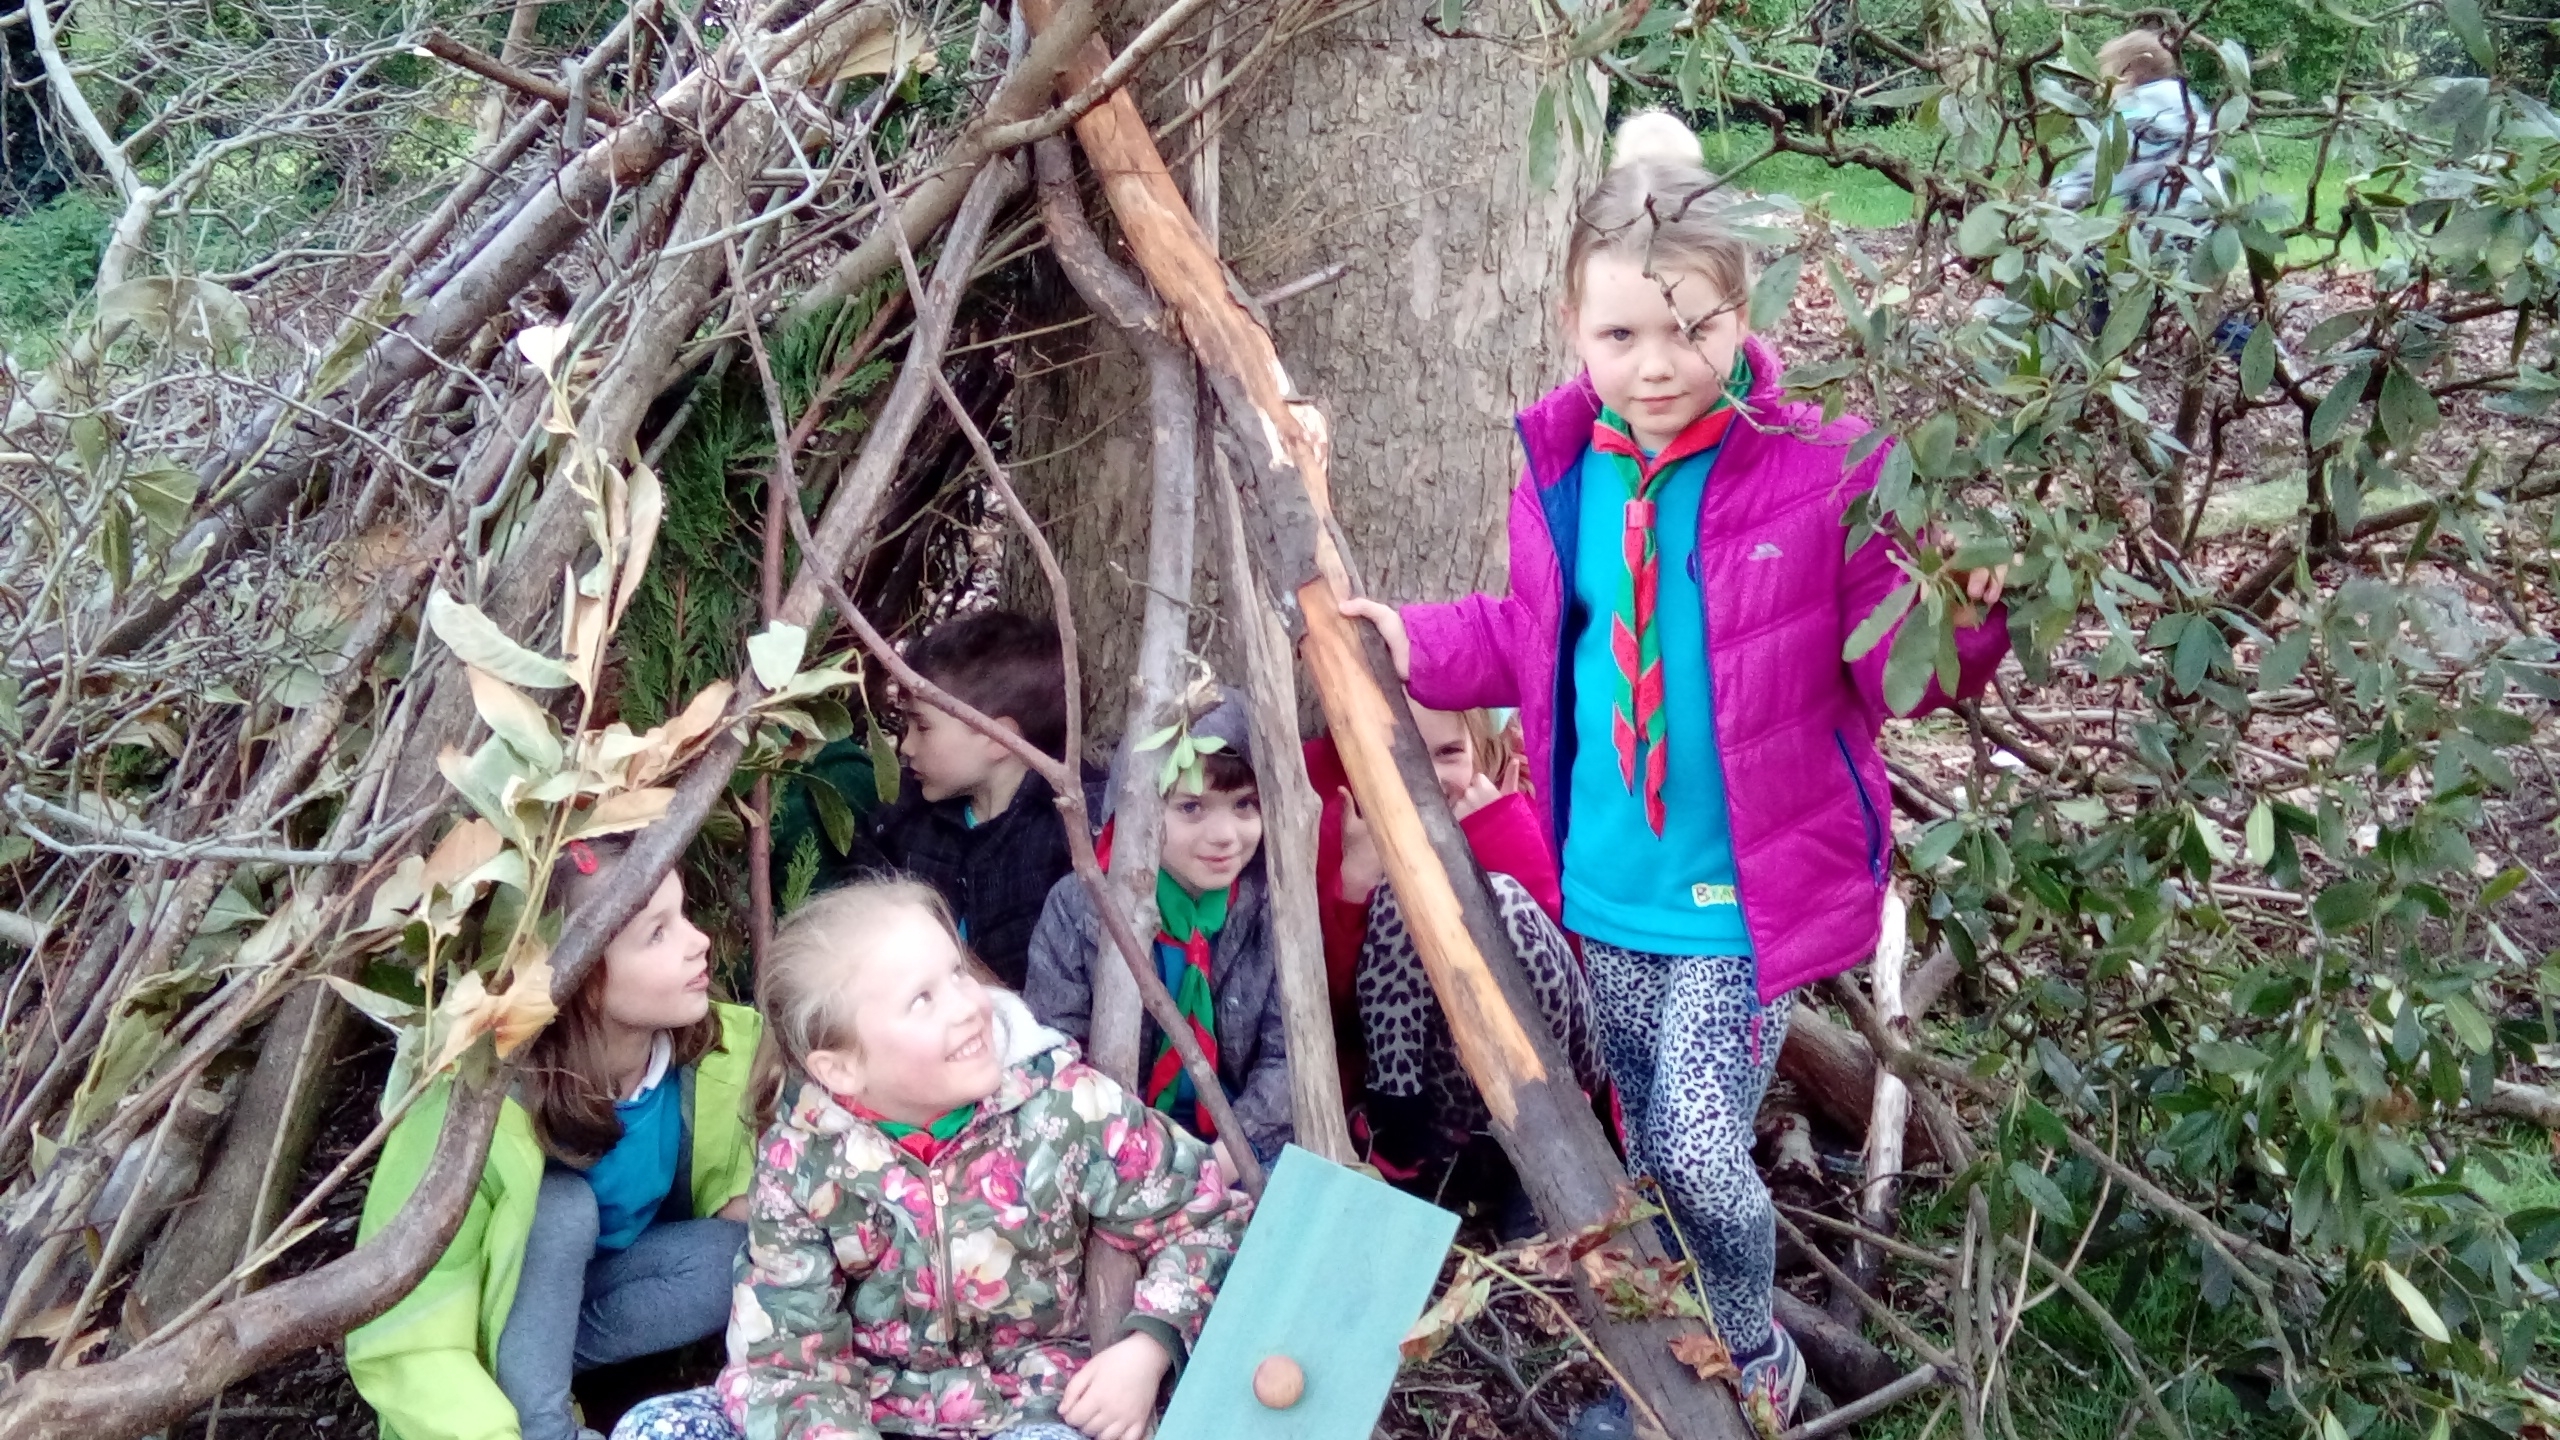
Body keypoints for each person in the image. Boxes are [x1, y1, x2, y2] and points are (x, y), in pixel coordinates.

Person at [1345, 110, 2010, 1429]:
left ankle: (1754, 1356)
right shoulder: (1563, 469)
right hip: (1608, 885)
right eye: (1620, 336)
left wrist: (1964, 613)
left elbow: (1898, 672)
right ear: (1570, 326)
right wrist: (1410, 640)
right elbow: (1537, 636)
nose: (1655, 365)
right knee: (1648, 1148)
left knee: (1704, 1149)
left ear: (1743, 313)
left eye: (1690, 329)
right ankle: (1670, 1367)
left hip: (1738, 901)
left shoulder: (1823, 468)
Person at [609, 880, 1247, 1440]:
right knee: (656, 1428)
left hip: (1031, 1406)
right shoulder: (803, 1161)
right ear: (842, 1069)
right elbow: (785, 1354)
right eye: (923, 999)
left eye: (958, 974)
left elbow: (1208, 1217)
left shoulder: (1068, 1107)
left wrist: (1147, 1348)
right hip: (872, 1409)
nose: (968, 1006)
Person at [348, 832, 763, 1440]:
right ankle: (543, 1425)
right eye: (657, 933)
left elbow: (743, 1189)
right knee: (563, 1207)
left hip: (592, 1300)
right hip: (496, 1311)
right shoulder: (472, 1105)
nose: (698, 940)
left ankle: (533, 1378)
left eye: (683, 915)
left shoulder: (721, 1050)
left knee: (736, 1255)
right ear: (579, 977)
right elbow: (406, 1322)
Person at [1304, 706, 1603, 1196]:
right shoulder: (1345, 821)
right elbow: (1328, 1005)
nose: (1426, 776)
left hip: (1559, 1069)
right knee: (1405, 896)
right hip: (1434, 1086)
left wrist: (1501, 836)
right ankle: (1402, 1144)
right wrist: (1354, 885)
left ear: (1478, 749)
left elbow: (1578, 967)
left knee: (1504, 898)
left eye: (1448, 753)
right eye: (1399, 753)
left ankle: (1550, 1151)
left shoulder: (1515, 799)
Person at [1023, 690, 1292, 1169]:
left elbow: (1287, 1060)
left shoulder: (1276, 906)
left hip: (1247, 1151)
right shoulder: (1080, 908)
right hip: (1112, 1152)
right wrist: (1130, 1163)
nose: (1225, 835)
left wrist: (1220, 1165)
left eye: (1245, 804)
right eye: (1191, 808)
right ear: (1137, 808)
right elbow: (1056, 1052)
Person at [867, 610, 1095, 990]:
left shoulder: (1069, 837)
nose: (906, 746)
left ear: (996, 737)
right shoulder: (903, 820)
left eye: (922, 726)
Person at [2052, 30, 2219, 217]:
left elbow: (2103, 170)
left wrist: (2053, 197)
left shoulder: (2135, 108)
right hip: (2209, 203)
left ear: (2128, 74)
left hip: (2172, 212)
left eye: (2106, 74)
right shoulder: (2182, 98)